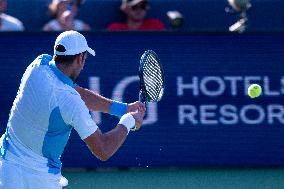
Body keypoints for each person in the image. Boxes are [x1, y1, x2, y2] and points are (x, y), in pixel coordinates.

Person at [0, 30, 146, 188]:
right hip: (41, 179)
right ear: (80, 58)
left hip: (5, 166)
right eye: (85, 58)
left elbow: (78, 93)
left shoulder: (37, 65)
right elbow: (103, 149)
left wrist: (124, 109)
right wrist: (128, 121)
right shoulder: (69, 101)